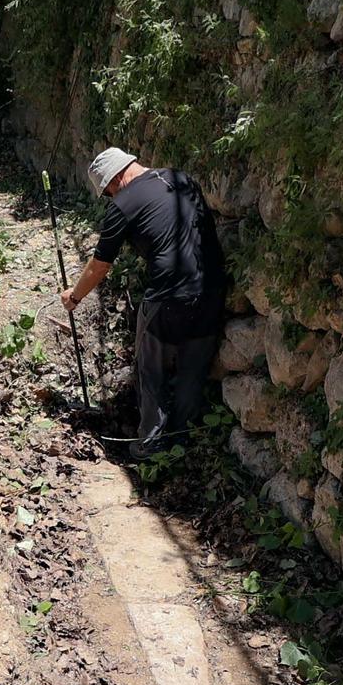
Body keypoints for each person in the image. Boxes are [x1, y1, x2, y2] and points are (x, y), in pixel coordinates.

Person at [60, 147, 228, 456]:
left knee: (151, 370)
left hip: (168, 297)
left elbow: (100, 265)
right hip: (212, 288)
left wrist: (75, 295)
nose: (110, 197)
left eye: (108, 192)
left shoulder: (122, 205)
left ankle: (151, 447)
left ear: (115, 180)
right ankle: (181, 444)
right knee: (192, 368)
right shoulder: (180, 178)